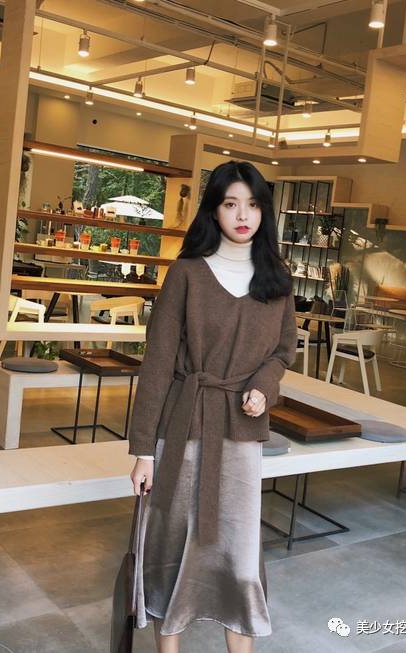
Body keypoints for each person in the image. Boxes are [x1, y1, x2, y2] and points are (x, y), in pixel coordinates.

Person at [128, 160, 297, 653]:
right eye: (230, 204)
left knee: (239, 556)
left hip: (241, 434)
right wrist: (143, 450)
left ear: (264, 211)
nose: (243, 215)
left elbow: (283, 351)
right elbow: (158, 362)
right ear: (214, 211)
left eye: (253, 204)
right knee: (170, 546)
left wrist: (264, 386)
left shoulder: (277, 278)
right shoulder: (186, 273)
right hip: (182, 428)